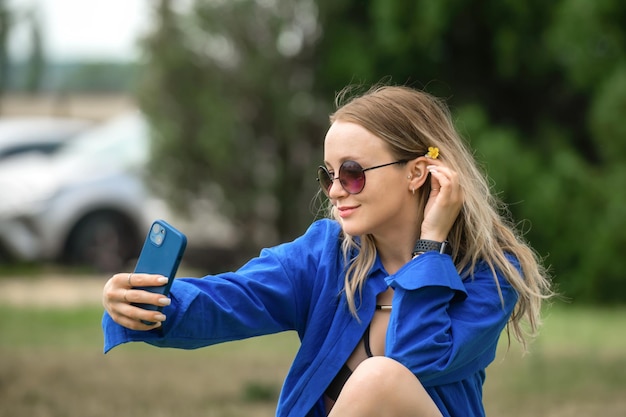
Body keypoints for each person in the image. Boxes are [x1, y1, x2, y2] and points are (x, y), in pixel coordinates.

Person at [102, 84, 553, 417]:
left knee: (381, 378)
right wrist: (147, 303)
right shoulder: (327, 254)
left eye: (353, 173)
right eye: (329, 175)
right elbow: (233, 299)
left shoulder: (489, 274)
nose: (336, 191)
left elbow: (418, 362)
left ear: (418, 173)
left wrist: (430, 248)